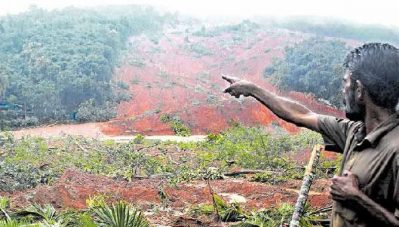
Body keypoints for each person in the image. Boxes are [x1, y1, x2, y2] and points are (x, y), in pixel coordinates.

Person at [222, 43, 399, 226]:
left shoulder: (395, 149)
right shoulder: (353, 132)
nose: (343, 90)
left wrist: (356, 199)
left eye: (345, 82)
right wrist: (252, 89)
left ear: (360, 91)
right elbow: (301, 115)